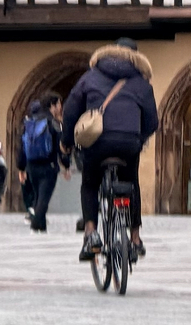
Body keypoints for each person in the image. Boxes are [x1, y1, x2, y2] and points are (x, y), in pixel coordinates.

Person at [59, 37, 158, 266]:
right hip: (128, 144)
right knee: (131, 183)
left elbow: (71, 111)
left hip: (97, 142)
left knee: (90, 183)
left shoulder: (91, 76)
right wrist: (138, 139)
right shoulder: (141, 83)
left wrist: (66, 142)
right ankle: (135, 238)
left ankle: (91, 233)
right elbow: (153, 122)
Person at [19, 97, 59, 233]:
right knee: (43, 198)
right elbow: (59, 145)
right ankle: (36, 224)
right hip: (48, 165)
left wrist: (21, 167)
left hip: (32, 165)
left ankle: (42, 227)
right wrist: (65, 163)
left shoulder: (30, 123)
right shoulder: (51, 122)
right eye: (59, 104)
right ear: (52, 105)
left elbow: (22, 146)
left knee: (38, 195)